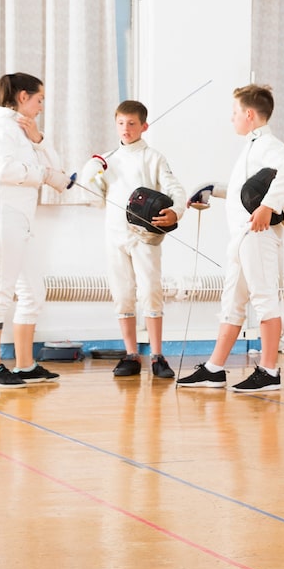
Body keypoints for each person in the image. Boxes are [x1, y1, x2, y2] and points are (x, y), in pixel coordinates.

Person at [177, 84, 284, 394]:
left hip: (258, 235)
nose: (231, 119)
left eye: (234, 113)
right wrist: (209, 188)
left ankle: (270, 371)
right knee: (232, 302)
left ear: (248, 114)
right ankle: (214, 369)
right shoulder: (252, 147)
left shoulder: (270, 145)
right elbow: (241, 190)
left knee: (264, 298)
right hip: (242, 238)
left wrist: (269, 205)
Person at [0, 72, 72, 386]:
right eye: (39, 99)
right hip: (2, 220)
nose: (42, 105)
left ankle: (26, 365)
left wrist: (39, 141)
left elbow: (56, 171)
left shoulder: (24, 130)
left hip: (21, 223)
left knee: (33, 293)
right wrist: (40, 173)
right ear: (22, 97)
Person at [80, 100, 188, 380]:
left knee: (151, 291)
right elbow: (94, 196)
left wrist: (175, 212)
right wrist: (89, 174)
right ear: (115, 124)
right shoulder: (107, 159)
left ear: (144, 126)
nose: (126, 129)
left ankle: (157, 356)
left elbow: (175, 189)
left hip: (145, 237)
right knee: (122, 294)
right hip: (115, 236)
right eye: (121, 123)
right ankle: (131, 354)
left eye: (131, 123)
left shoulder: (154, 158)